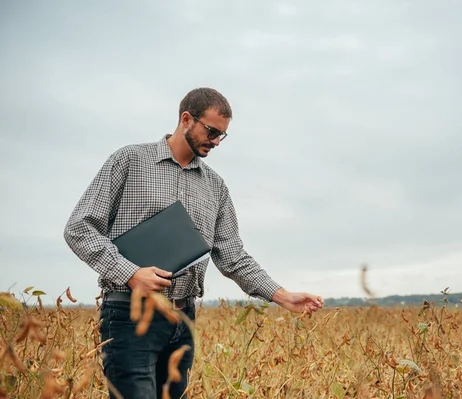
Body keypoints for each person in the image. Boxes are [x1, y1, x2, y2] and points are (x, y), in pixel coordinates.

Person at [63, 87, 324, 399]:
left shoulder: (216, 186)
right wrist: (131, 273)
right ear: (186, 119)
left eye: (222, 136)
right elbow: (79, 228)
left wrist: (283, 296)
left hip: (182, 320)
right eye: (211, 131)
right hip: (128, 316)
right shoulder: (129, 160)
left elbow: (232, 255)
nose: (215, 142)